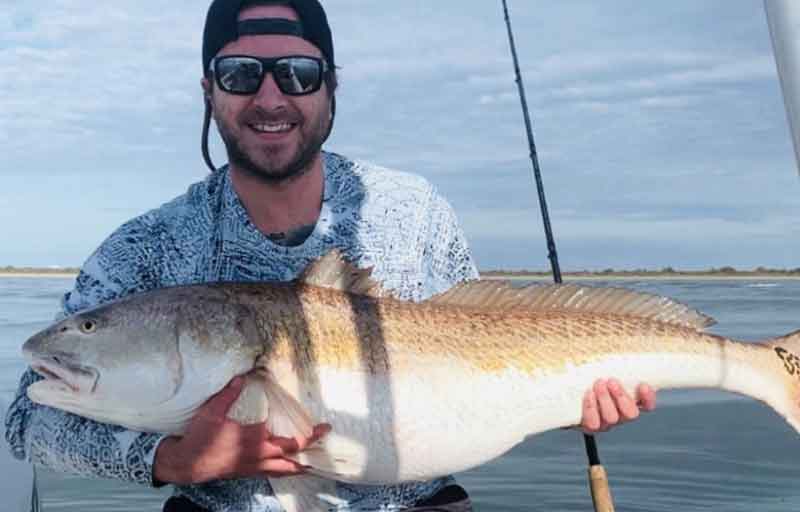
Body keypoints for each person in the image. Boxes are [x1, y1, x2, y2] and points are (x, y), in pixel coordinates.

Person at [4, 1, 657, 510]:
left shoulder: (413, 207)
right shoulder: (144, 248)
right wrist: (172, 459)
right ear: (209, 90)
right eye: (240, 74)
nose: (269, 97)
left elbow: (493, 334)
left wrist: (576, 396)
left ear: (331, 85)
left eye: (298, 72)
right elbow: (26, 422)